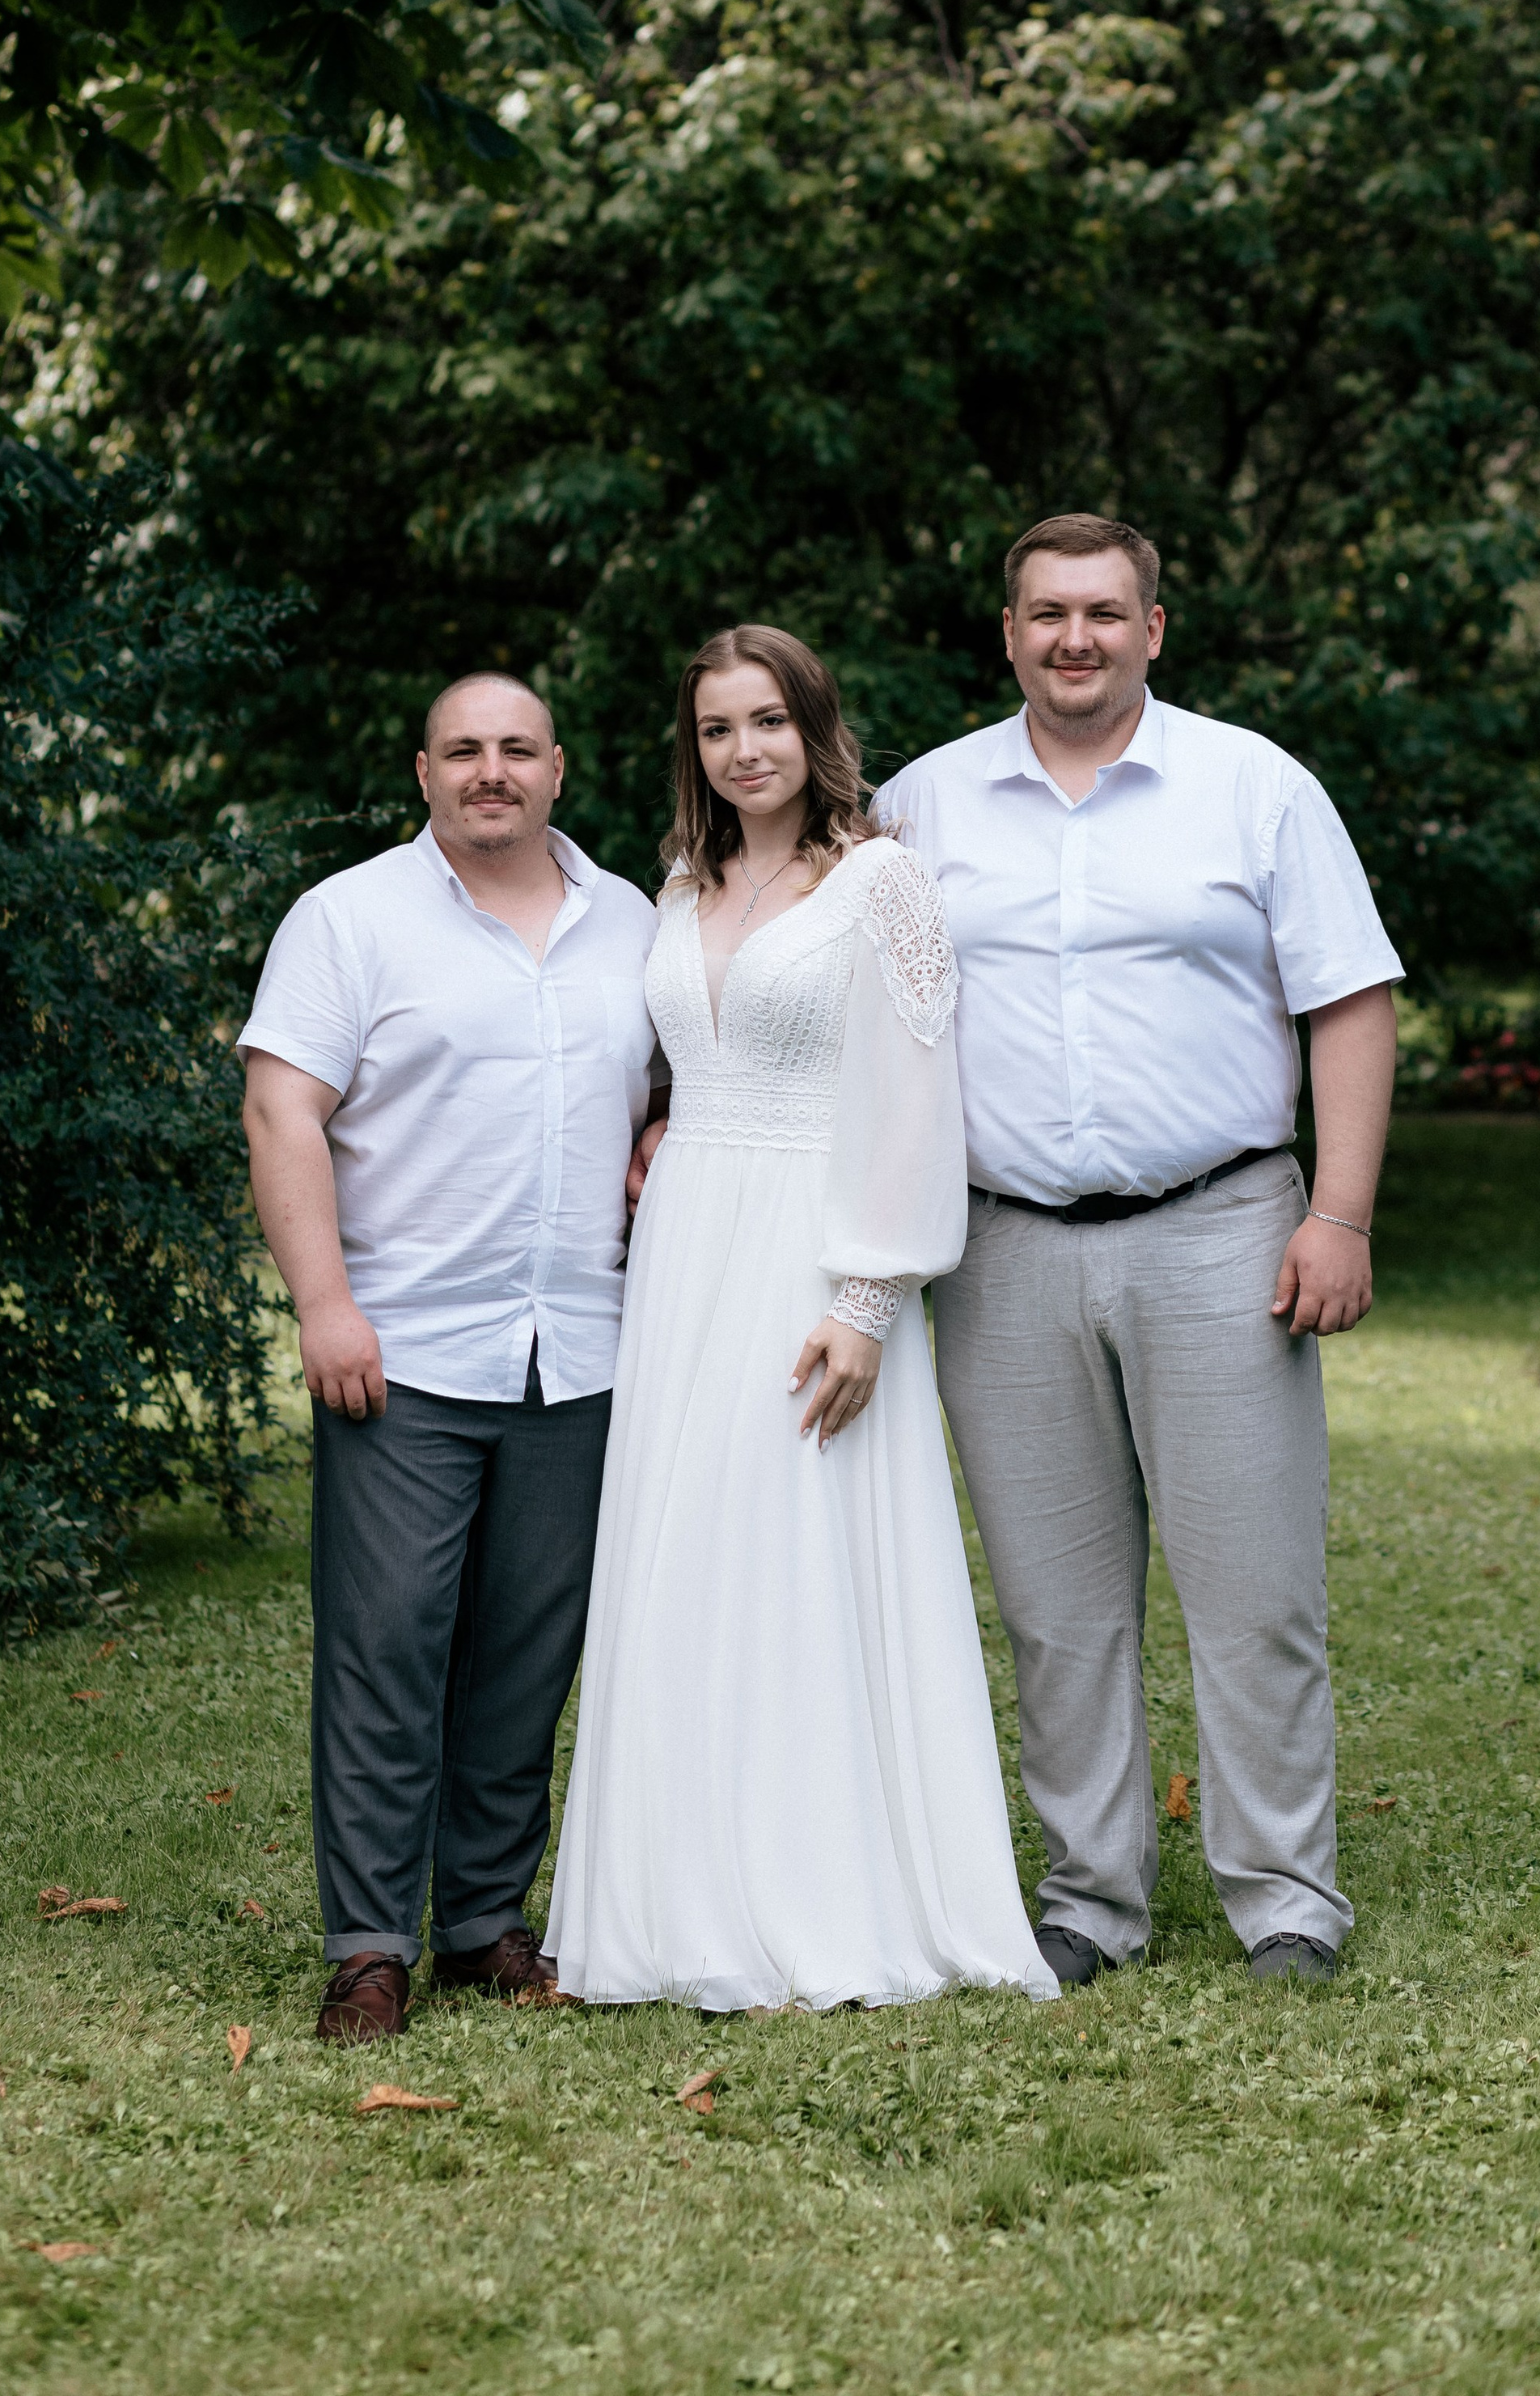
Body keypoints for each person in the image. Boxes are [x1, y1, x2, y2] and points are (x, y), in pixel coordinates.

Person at [871, 514, 1402, 1988]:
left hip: (1223, 1232)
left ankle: (1285, 1900)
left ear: (1152, 630)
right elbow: (826, 1001)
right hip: (1003, 1252)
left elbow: (1350, 1001)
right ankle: (1091, 1899)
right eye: (1047, 613)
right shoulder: (921, 808)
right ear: (1008, 632)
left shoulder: (1254, 788)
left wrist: (1340, 1214)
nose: (1075, 638)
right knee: (1058, 1609)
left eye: (1104, 612)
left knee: (1255, 1595)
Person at [544, 626, 1056, 2010]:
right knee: (684, 1546)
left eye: (767, 720)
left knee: (800, 1547)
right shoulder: (681, 880)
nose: (744, 750)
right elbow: (680, 1055)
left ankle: (826, 1891)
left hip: (813, 1247)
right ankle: (671, 1900)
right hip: (685, 1247)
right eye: (717, 729)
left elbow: (916, 1099)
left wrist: (869, 1297)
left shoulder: (884, 882)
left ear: (815, 727)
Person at [238, 675, 662, 2037]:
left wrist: (663, 1131)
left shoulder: (633, 924)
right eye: (464, 750)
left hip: (579, 1351)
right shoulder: (348, 919)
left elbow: (677, 1082)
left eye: (517, 749)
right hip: (403, 1349)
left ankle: (483, 1923)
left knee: (529, 1655)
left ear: (558, 769)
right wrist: (324, 1304)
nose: (493, 771)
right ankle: (370, 1948)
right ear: (423, 772)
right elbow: (281, 1108)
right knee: (387, 1649)